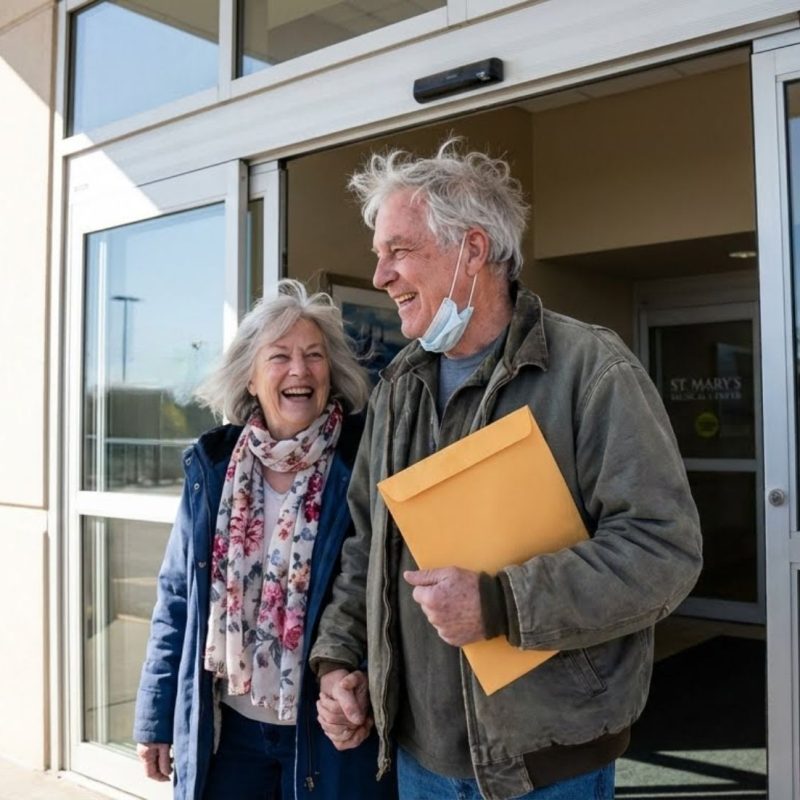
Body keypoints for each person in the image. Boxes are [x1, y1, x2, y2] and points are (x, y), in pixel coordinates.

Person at [309, 141, 703, 800]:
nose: (381, 276)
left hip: (550, 761)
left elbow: (662, 551)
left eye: (399, 251)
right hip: (420, 755)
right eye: (379, 255)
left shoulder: (592, 371)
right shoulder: (397, 389)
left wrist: (499, 602)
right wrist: (341, 659)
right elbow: (363, 544)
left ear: (472, 250)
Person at [133, 279, 396, 800]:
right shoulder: (211, 467)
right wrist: (156, 714)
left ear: (332, 373)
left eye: (313, 356)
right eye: (280, 357)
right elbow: (178, 598)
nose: (299, 370)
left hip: (326, 731)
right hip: (226, 730)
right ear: (251, 378)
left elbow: (385, 593)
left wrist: (360, 680)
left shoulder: (363, 464)